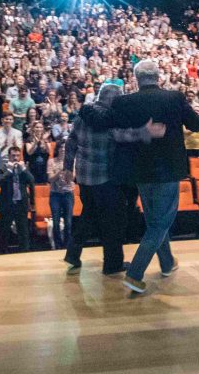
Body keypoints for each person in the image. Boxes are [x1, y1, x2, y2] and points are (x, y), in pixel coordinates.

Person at [109, 59, 199, 294]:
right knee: (161, 223)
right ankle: (135, 273)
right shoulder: (174, 98)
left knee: (155, 221)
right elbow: (196, 125)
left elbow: (115, 134)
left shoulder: (124, 102)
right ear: (158, 76)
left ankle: (167, 262)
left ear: (136, 79)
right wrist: (198, 115)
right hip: (168, 170)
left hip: (140, 171)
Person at [64, 84, 158, 277]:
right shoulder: (108, 118)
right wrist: (145, 131)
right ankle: (112, 265)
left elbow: (71, 141)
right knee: (113, 222)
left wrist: (67, 167)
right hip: (103, 178)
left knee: (88, 214)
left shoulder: (83, 116)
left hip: (83, 176)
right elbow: (122, 135)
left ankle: (72, 254)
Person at [0, 146, 34, 253]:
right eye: (13, 156)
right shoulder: (2, 167)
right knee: (4, 232)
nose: (16, 158)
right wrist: (9, 170)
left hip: (21, 203)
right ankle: (2, 253)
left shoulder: (23, 167)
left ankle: (25, 253)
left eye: (18, 155)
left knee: (23, 231)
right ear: (9, 156)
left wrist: (24, 169)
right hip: (6, 204)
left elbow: (31, 181)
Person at [46, 141, 74, 250]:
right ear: (57, 149)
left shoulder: (71, 161)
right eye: (61, 148)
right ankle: (58, 245)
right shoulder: (51, 161)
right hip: (55, 194)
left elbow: (72, 179)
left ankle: (67, 245)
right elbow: (50, 179)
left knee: (68, 222)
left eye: (65, 148)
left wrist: (67, 170)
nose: (63, 150)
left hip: (67, 193)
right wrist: (59, 171)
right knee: (56, 221)